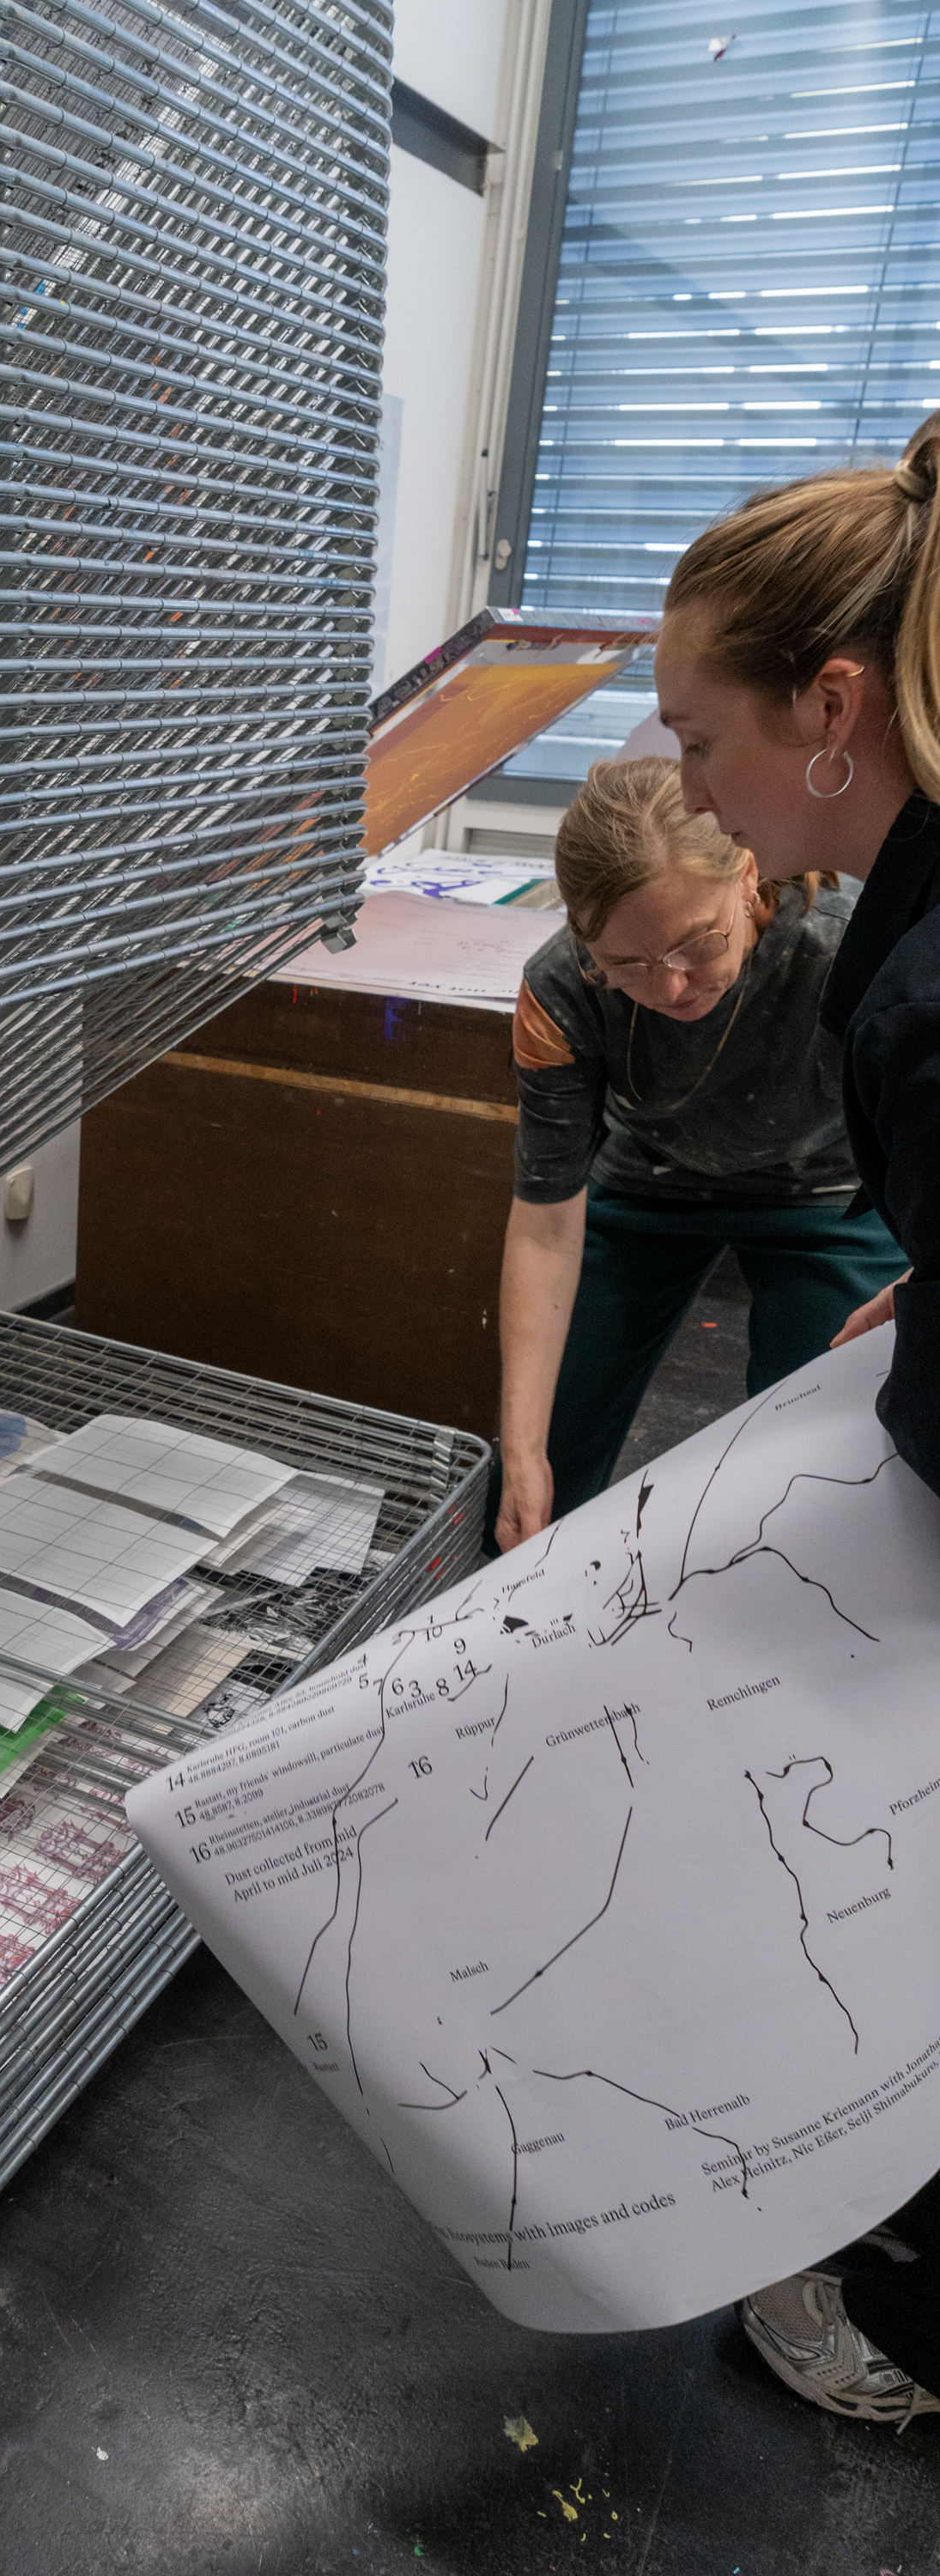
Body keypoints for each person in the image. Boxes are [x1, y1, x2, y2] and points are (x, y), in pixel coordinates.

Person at [652, 411, 940, 2428]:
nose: (687, 787)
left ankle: (899, 2316)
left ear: (828, 709)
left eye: (699, 738)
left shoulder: (915, 989)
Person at [493, 756, 903, 1556]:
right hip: (649, 1181)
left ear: (747, 877)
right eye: (628, 966)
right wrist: (523, 1451)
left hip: (829, 1192)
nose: (672, 988)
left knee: (815, 1462)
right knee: (541, 1461)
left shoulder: (853, 945)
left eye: (697, 945)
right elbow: (545, 1223)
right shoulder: (561, 986)